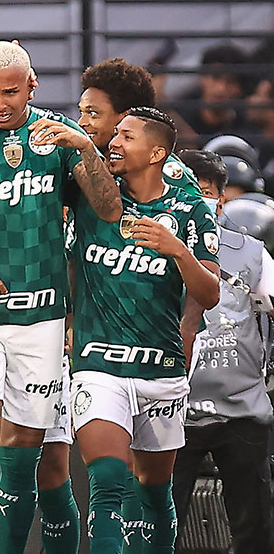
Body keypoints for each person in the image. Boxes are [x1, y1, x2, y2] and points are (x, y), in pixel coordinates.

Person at [0, 40, 121, 554]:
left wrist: (83, 147)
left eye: (10, 92)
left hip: (43, 316)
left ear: (32, 87)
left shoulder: (59, 136)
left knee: (25, 452)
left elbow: (108, 209)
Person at [68, 107, 220, 553]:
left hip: (161, 367)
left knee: (155, 490)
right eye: (114, 134)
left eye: (126, 136)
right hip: (99, 364)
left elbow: (209, 294)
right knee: (108, 480)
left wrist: (178, 251)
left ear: (157, 153)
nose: (114, 141)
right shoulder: (95, 196)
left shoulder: (190, 209)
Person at [172, 149, 274, 554]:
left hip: (244, 409)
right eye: (184, 189)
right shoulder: (149, 246)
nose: (196, 199)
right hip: (171, 409)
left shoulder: (251, 252)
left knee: (254, 523)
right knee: (161, 520)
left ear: (221, 197)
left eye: (205, 190)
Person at [78, 57, 201, 198]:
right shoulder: (77, 164)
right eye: (81, 112)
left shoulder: (172, 177)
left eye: (93, 113)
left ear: (127, 118)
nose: (81, 122)